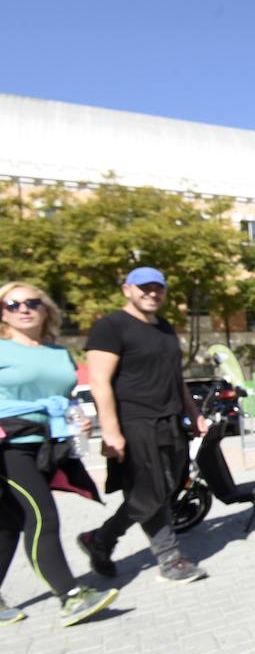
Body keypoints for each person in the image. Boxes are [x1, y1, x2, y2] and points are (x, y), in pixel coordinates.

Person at [76, 268, 208, 583]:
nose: (151, 293)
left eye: (157, 288)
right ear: (127, 290)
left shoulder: (164, 327)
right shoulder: (110, 327)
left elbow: (177, 378)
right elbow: (99, 381)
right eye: (143, 288)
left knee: (166, 489)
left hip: (171, 421)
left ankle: (100, 539)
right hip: (135, 422)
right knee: (150, 493)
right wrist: (110, 431)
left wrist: (194, 413)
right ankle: (170, 558)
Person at [0, 282, 119, 626]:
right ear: (3, 312)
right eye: (13, 304)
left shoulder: (58, 352)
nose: (23, 309)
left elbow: (65, 396)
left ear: (46, 308)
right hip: (8, 445)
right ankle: (70, 596)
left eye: (32, 302)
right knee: (43, 517)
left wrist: (76, 419)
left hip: (47, 444)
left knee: (9, 524)